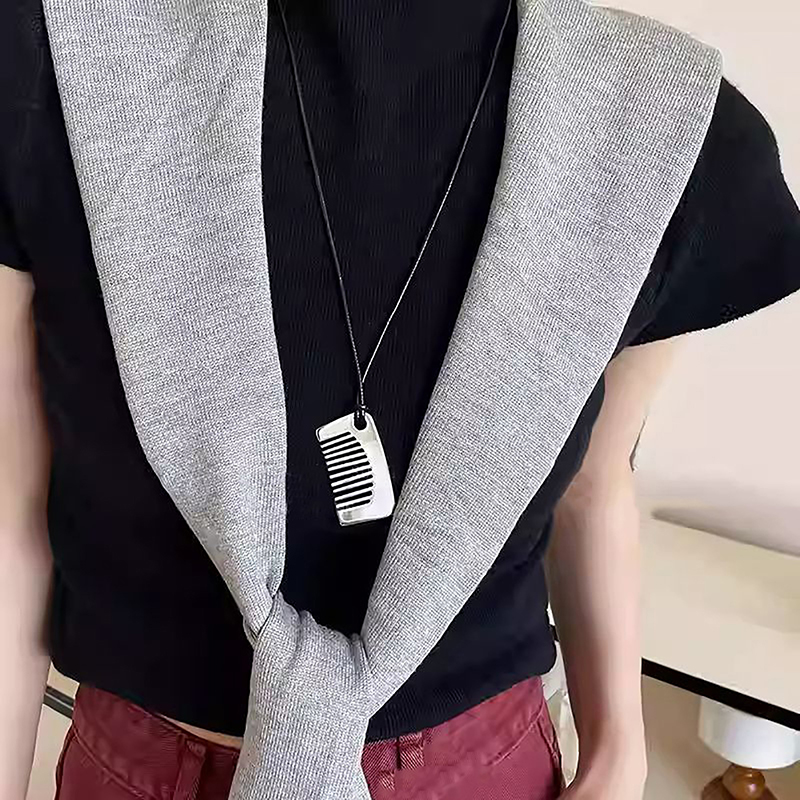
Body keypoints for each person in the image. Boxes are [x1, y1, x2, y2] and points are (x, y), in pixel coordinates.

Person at [1, 0, 799, 798]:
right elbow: (12, 497)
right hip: (144, 766)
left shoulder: (663, 126)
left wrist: (618, 752)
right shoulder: (60, 54)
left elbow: (594, 481)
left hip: (483, 771)